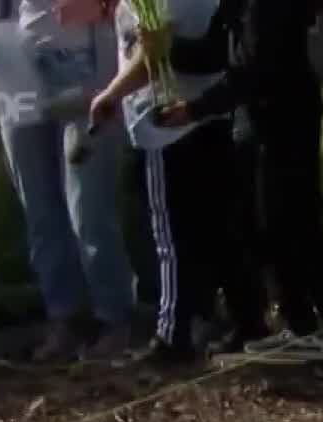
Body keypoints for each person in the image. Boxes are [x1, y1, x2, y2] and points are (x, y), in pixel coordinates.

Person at [155, 0, 323, 374]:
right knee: (260, 228)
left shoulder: (266, 6)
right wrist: (159, 49)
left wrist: (195, 109)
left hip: (287, 119)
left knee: (292, 226)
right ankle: (302, 328)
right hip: (254, 120)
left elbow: (256, 68)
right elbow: (213, 52)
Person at [0, 0, 135, 367]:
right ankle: (65, 319)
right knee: (40, 212)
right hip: (14, 69)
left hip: (82, 68)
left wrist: (102, 5)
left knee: (87, 210)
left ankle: (115, 320)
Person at [90, 0, 267, 367]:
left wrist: (111, 94)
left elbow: (153, 55)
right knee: (220, 230)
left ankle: (173, 335)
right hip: (205, 117)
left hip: (165, 124)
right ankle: (247, 321)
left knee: (170, 235)